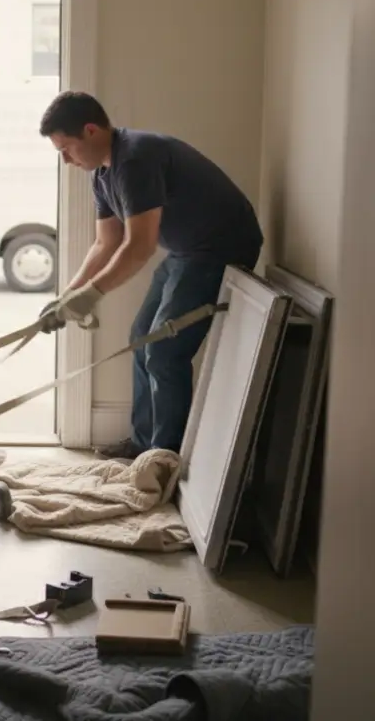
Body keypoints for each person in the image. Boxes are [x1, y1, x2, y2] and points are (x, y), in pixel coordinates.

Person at [38, 91, 264, 459]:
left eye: (67, 148)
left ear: (91, 131)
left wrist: (90, 296)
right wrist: (67, 298)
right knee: (142, 338)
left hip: (222, 247)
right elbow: (105, 243)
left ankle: (164, 458)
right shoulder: (102, 175)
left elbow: (139, 246)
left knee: (163, 351)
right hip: (186, 251)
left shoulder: (137, 158)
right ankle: (144, 445)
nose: (65, 160)